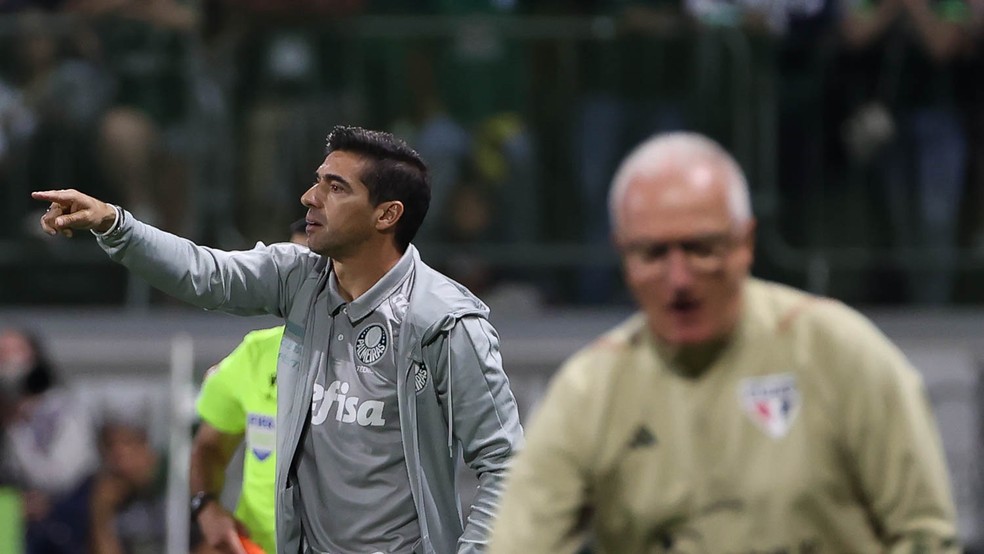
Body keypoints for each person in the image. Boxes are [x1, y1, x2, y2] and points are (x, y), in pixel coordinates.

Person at [33, 124, 524, 554]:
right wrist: (115, 224)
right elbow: (205, 273)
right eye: (317, 182)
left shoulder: (445, 322)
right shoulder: (300, 277)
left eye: (335, 188)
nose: (310, 197)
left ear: (386, 214)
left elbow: (506, 466)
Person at [488, 132, 959, 553]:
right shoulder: (590, 391)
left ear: (745, 243)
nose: (679, 280)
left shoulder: (840, 352)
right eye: (652, 253)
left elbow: (923, 534)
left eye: (701, 249)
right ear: (623, 255)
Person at [190, 219, 307, 554]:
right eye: (290, 268)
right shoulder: (254, 354)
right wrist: (206, 506)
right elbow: (209, 448)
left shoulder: (377, 360)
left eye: (312, 267)